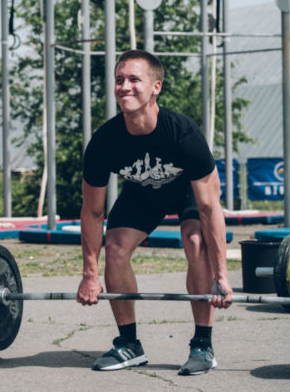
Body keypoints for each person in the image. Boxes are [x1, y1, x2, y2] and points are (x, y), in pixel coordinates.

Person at [76, 49, 232, 375]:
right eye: (120, 80)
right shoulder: (105, 142)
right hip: (144, 191)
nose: (125, 86)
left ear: (155, 87)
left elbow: (209, 206)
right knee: (115, 247)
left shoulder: (182, 134)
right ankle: (129, 344)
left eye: (134, 79)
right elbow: (92, 212)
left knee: (194, 240)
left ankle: (203, 344)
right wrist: (90, 275)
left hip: (187, 188)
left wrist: (222, 275)